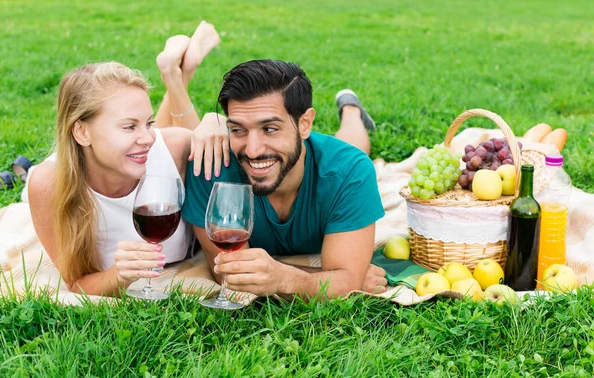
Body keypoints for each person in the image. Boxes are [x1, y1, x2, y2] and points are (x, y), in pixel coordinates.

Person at [28, 21, 228, 296]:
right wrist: (116, 277)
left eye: (149, 122)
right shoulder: (49, 183)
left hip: (172, 146)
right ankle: (176, 73)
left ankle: (175, 75)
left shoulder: (173, 147)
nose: (148, 136)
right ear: (82, 132)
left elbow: (221, 160)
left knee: (169, 142)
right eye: (128, 126)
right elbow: (76, 282)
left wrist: (216, 122)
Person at [182, 59, 388, 299]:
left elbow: (346, 281)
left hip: (336, 158)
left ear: (305, 124)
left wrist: (286, 278)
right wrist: (323, 278)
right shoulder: (210, 167)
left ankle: (351, 111)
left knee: (354, 151)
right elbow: (228, 273)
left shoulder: (350, 171)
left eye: (269, 128)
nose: (253, 150)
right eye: (238, 129)